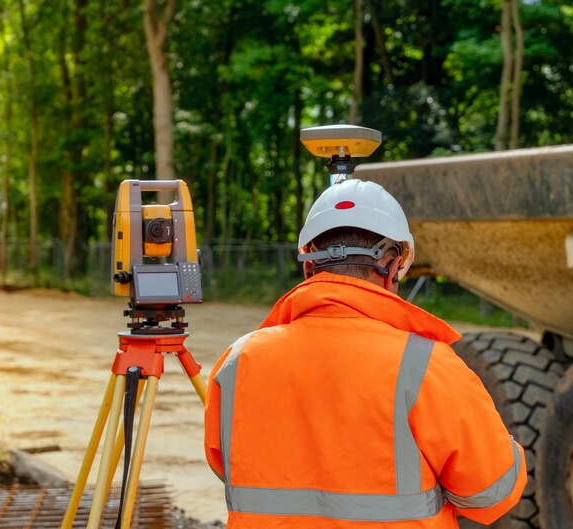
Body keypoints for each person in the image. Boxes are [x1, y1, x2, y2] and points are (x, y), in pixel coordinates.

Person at [203, 178, 526, 528]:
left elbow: (230, 467)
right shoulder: (425, 365)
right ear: (390, 266)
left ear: (309, 267)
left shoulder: (239, 361)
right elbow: (490, 495)